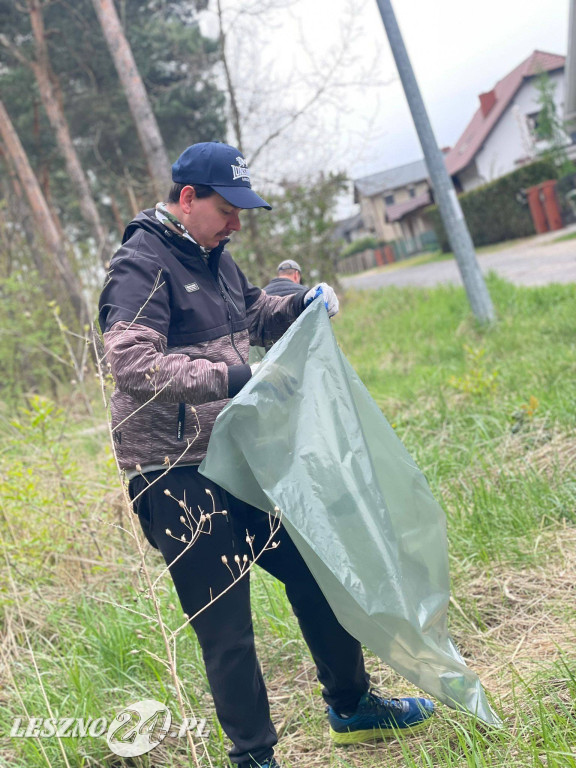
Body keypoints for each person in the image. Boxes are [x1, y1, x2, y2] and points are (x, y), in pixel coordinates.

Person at [98, 141, 434, 768]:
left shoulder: (215, 257)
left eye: (242, 212)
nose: (238, 223)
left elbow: (252, 311)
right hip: (172, 472)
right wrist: (230, 377)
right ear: (188, 198)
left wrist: (299, 305)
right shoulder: (140, 263)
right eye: (228, 209)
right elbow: (129, 363)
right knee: (227, 625)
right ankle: (253, 756)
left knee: (316, 569)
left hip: (236, 456)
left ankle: (352, 707)